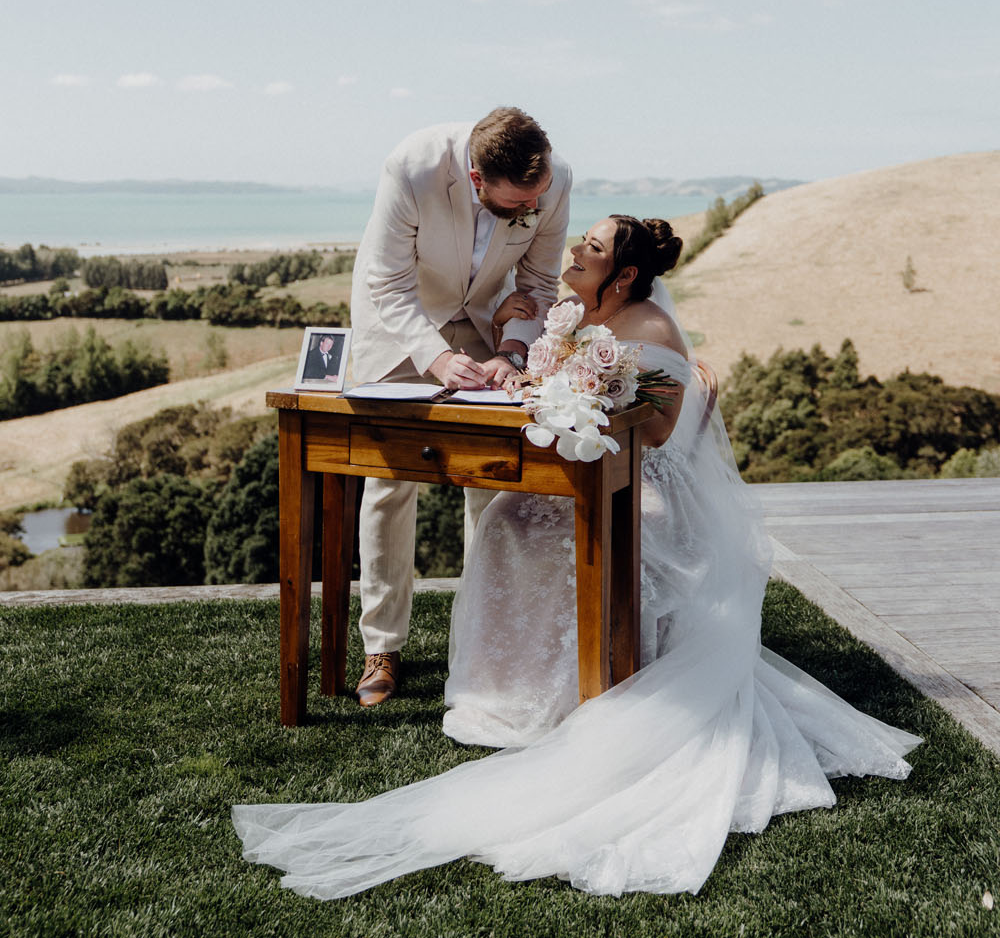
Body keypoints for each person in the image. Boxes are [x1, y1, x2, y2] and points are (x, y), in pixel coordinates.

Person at [234, 214, 921, 900]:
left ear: (621, 276)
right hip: (586, 469)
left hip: (648, 491)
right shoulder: (573, 313)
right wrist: (533, 361)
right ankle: (504, 696)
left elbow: (654, 434)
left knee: (532, 529)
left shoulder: (649, 329)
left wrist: (594, 390)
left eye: (589, 249)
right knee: (506, 517)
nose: (573, 252)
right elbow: (547, 384)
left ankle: (571, 695)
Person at [347, 107, 571, 707]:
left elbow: (542, 283)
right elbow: (388, 284)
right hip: (400, 327)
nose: (531, 211)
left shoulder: (552, 180)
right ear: (476, 179)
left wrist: (512, 351)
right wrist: (436, 359)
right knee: (389, 482)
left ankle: (484, 642)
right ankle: (382, 646)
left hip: (488, 319)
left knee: (494, 479)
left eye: (537, 199)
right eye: (517, 205)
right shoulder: (411, 166)